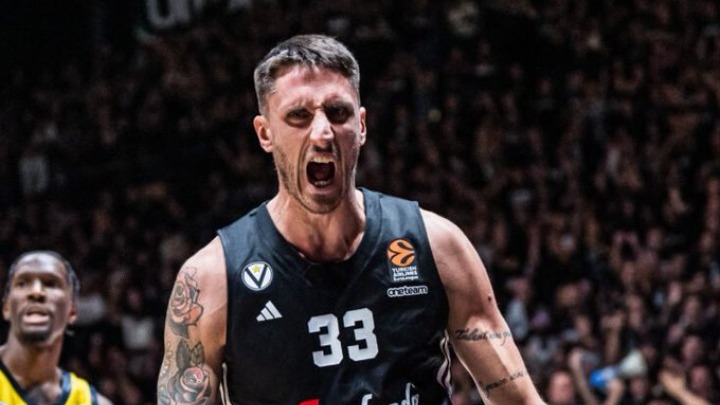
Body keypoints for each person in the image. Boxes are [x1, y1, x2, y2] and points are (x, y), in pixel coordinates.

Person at [157, 34, 546, 404]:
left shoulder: (436, 246)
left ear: (361, 126)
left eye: (338, 112)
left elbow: (519, 400)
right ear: (265, 133)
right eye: (298, 116)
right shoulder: (212, 280)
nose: (322, 133)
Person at [0, 250, 112, 405]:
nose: (36, 292)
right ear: (6, 307)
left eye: (50, 284)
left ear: (72, 311)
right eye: (22, 283)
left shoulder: (89, 401)